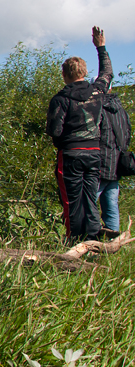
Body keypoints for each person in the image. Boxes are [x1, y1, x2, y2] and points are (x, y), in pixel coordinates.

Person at [46, 26, 113, 242]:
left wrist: (62, 141)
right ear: (84, 73)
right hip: (94, 152)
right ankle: (93, 241)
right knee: (90, 199)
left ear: (64, 74)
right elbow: (107, 74)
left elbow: (54, 131)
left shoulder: (60, 99)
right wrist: (101, 47)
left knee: (71, 201)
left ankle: (74, 241)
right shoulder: (98, 91)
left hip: (71, 154)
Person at [97, 87, 131, 237]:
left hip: (100, 163)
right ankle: (113, 241)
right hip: (116, 164)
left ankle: (86, 237)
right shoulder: (121, 111)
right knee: (111, 205)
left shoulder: (97, 108)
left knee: (88, 204)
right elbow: (128, 135)